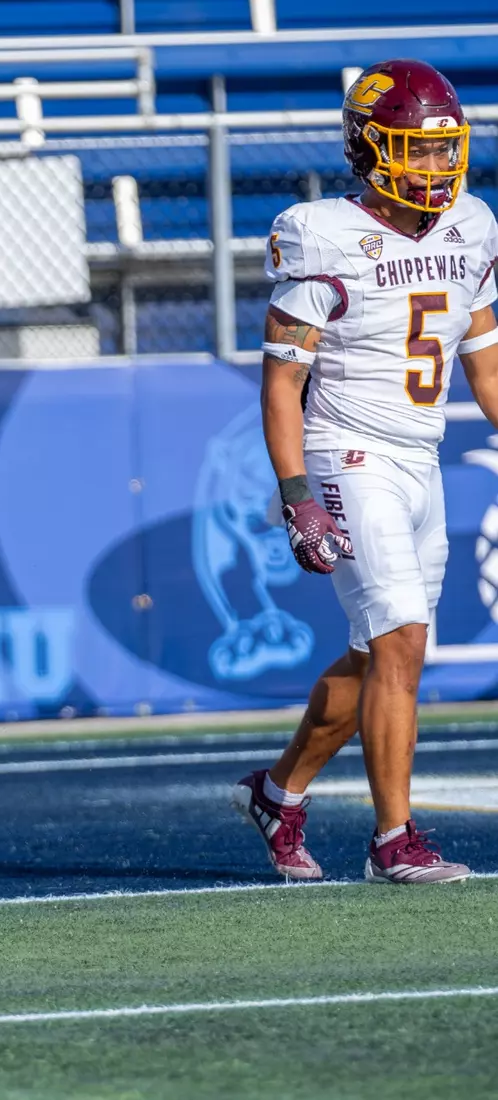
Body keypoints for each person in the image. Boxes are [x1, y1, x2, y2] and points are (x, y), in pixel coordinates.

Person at [235, 59, 498, 885]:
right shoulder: (322, 234)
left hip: (420, 458)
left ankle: (278, 794)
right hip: (346, 451)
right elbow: (282, 383)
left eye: (444, 148)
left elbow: (487, 366)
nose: (435, 165)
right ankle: (393, 840)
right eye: (416, 149)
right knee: (401, 638)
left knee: (372, 655)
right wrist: (296, 496)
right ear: (369, 148)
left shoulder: (472, 225)